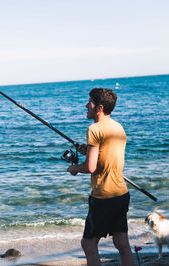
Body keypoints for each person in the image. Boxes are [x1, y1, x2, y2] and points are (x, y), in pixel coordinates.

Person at [67, 88, 134, 266]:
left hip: (103, 196)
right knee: (121, 242)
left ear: (99, 108)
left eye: (90, 102)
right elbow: (107, 156)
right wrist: (88, 150)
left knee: (88, 243)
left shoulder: (94, 129)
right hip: (121, 194)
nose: (86, 105)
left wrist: (74, 168)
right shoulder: (118, 127)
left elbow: (90, 167)